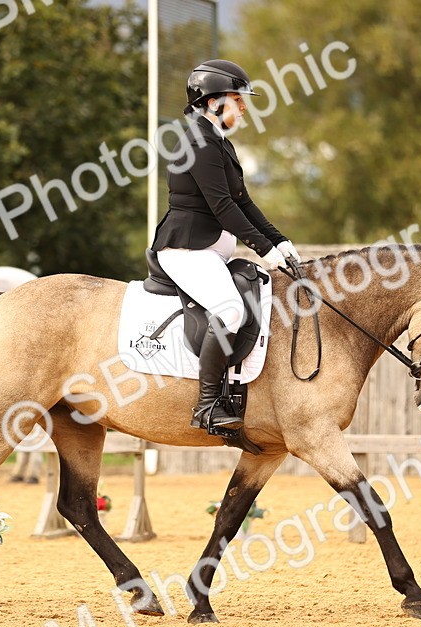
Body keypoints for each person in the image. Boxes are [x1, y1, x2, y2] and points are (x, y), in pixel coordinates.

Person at [151, 59, 301, 431]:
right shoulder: (198, 143)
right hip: (185, 249)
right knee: (231, 310)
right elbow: (222, 207)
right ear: (213, 101)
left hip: (210, 250)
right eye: (238, 98)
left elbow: (244, 202)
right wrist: (263, 250)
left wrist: (280, 241)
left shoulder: (218, 143)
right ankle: (206, 405)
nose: (245, 106)